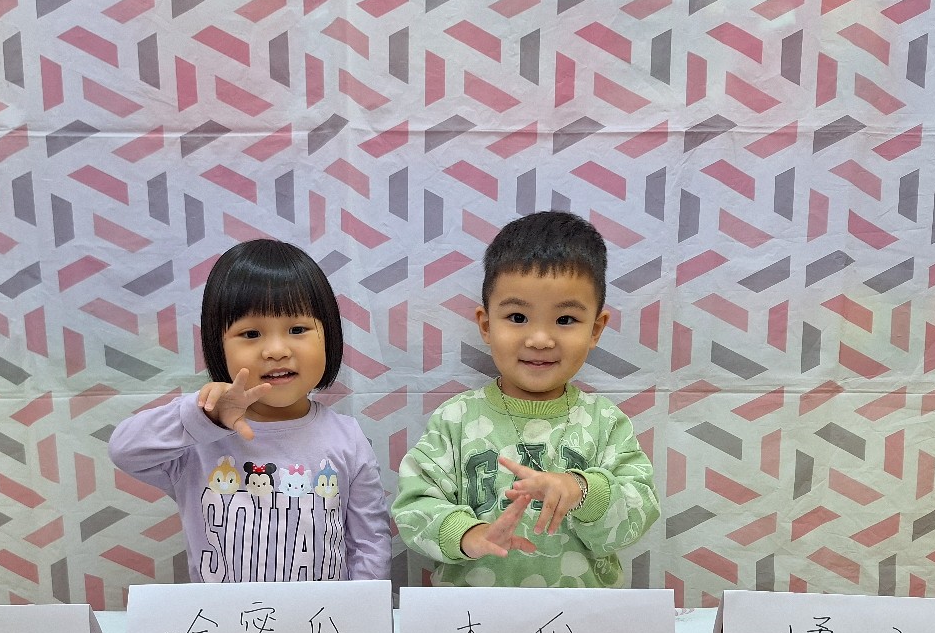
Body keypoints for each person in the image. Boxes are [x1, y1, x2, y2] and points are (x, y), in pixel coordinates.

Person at [391, 211, 660, 587]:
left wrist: (584, 491)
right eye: (517, 317)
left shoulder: (605, 422)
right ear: (486, 325)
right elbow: (413, 507)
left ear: (596, 329)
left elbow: (637, 513)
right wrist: (468, 535)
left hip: (582, 614)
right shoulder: (456, 418)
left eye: (565, 320)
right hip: (473, 615)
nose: (540, 339)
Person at [109, 239, 391, 582]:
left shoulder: (347, 438)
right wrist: (204, 418)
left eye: (297, 329)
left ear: (329, 336)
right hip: (222, 617)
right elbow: (124, 450)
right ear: (218, 345)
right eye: (251, 333)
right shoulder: (195, 441)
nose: (276, 350)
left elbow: (369, 543)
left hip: (323, 616)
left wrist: (363, 608)